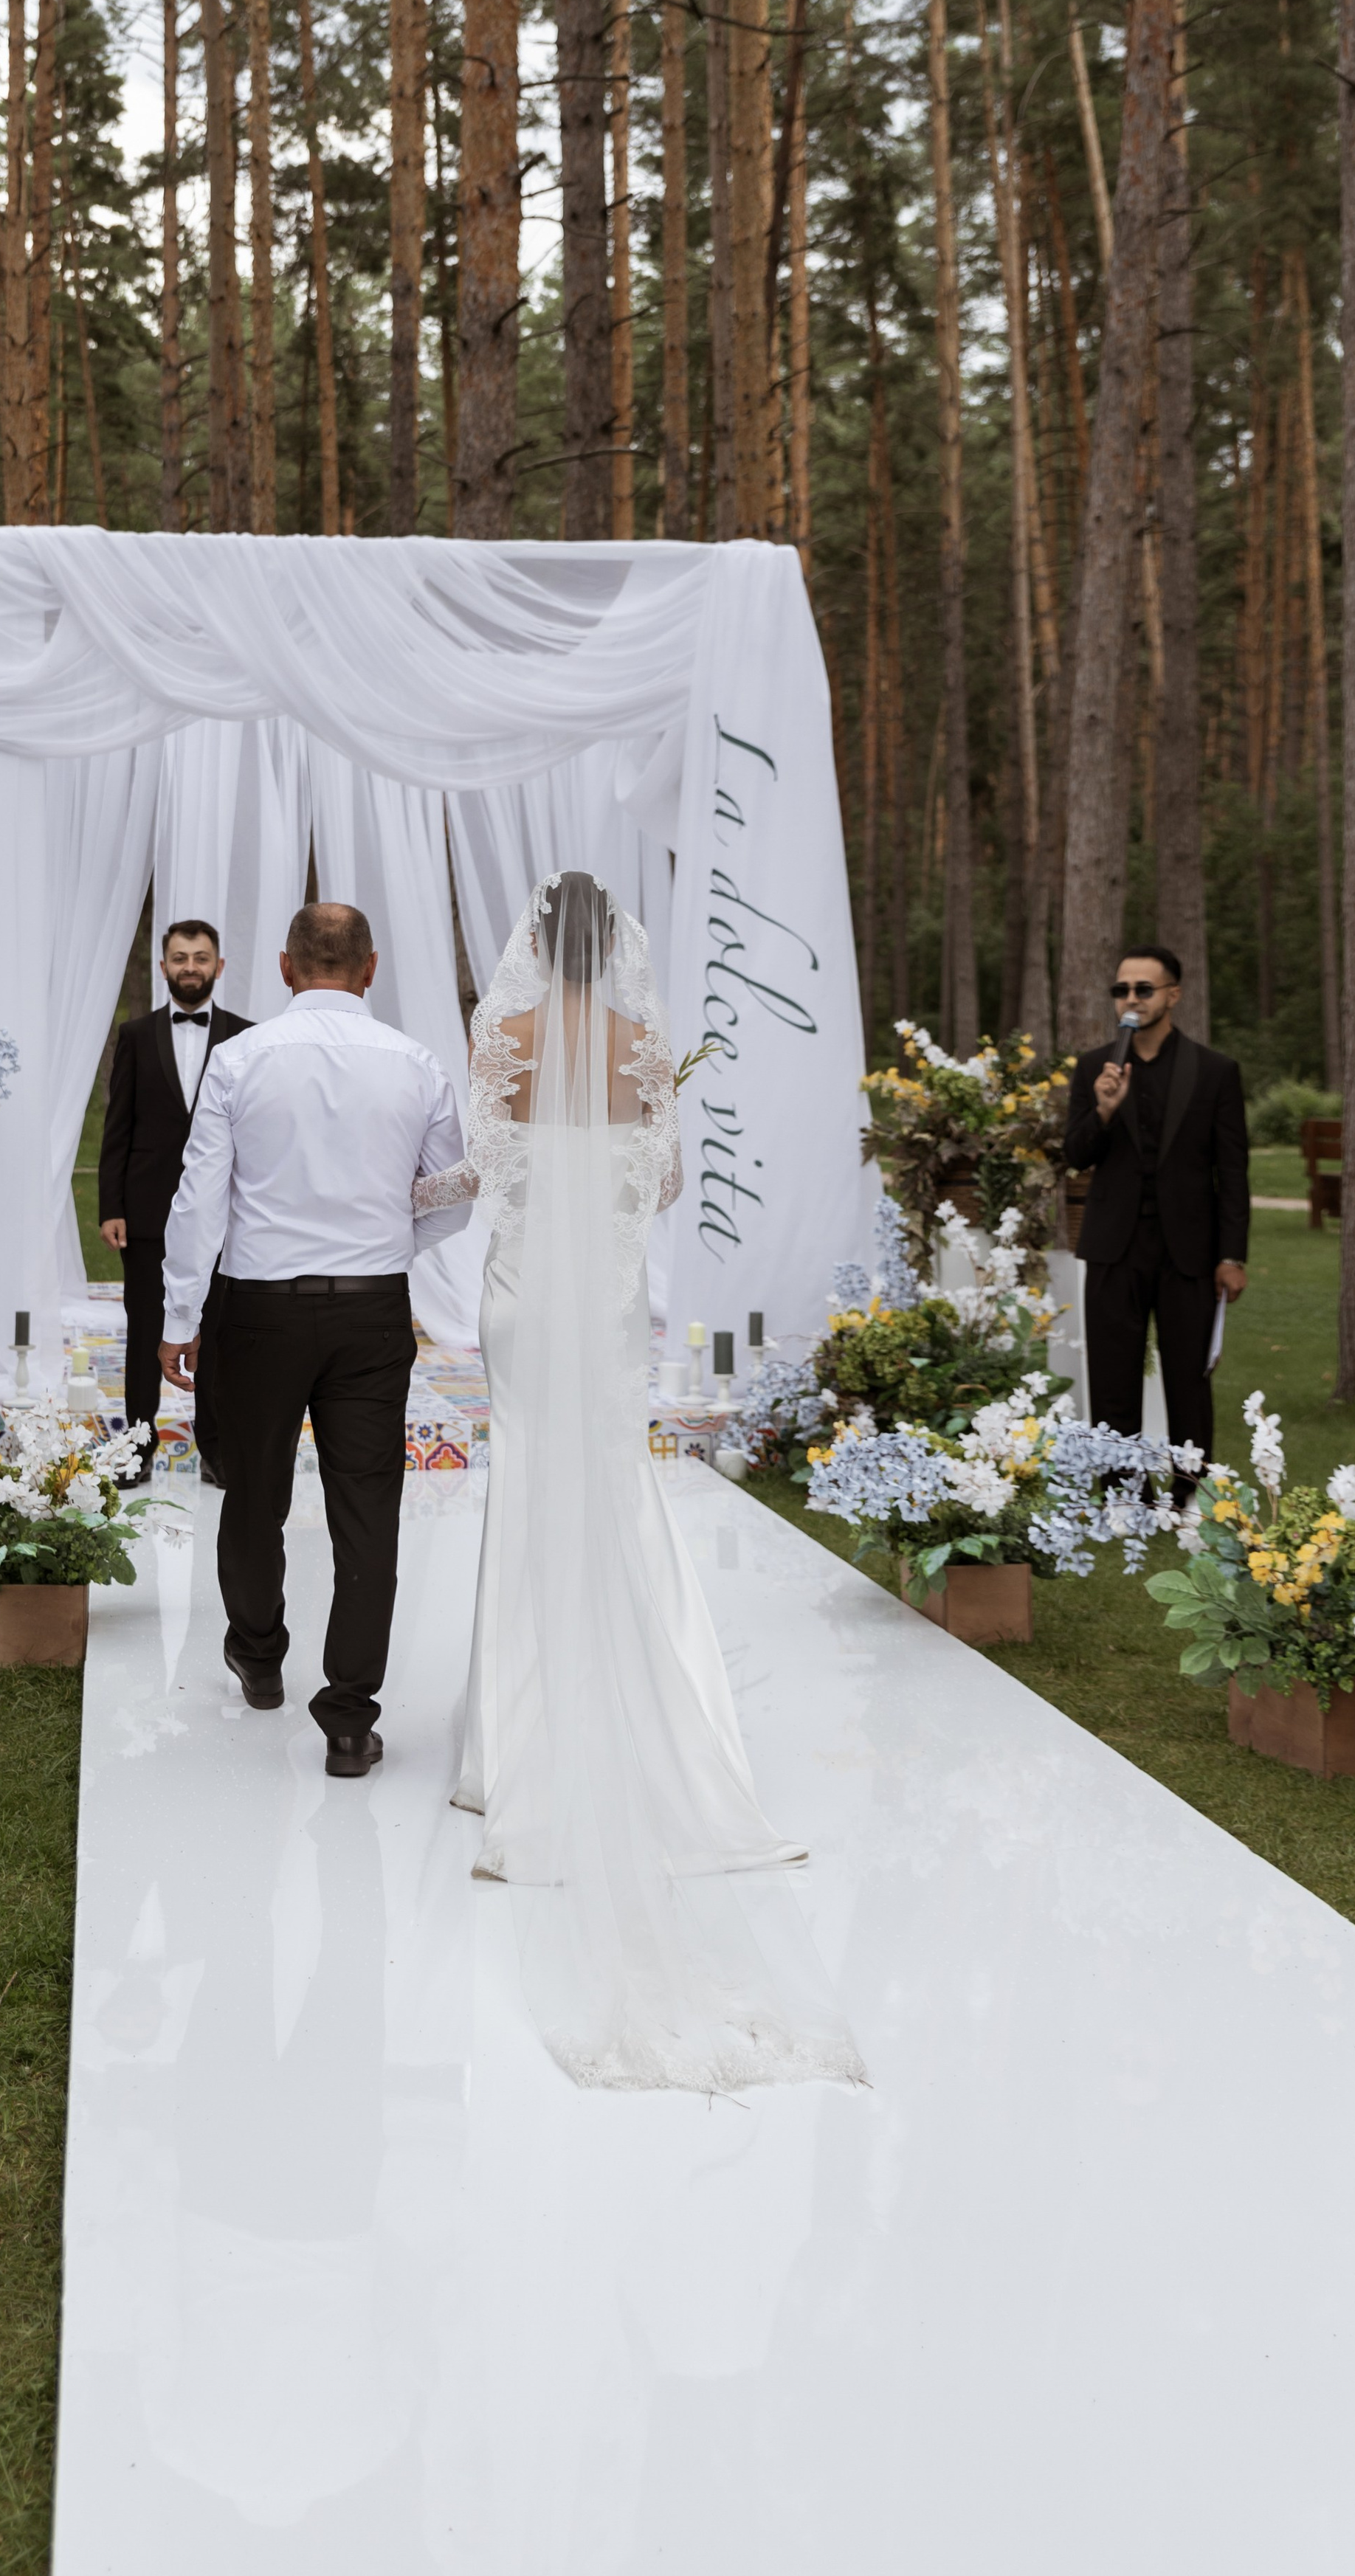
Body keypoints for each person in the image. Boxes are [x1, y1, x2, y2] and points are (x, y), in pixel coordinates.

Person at [409, 871, 863, 2096]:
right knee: (611, 1486)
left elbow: (489, 1179)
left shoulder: (500, 1036)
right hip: (608, 1300)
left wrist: (423, 1197)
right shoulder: (642, 1044)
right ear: (615, 953)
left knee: (527, 1491)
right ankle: (633, 1724)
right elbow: (657, 1187)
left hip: (521, 1296)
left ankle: (510, 1758)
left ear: (528, 951)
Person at [158, 902, 470, 1778]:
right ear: (370, 970)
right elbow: (452, 1194)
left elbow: (198, 1200)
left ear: (288, 971)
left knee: (253, 1491)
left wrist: (180, 1319)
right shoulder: (416, 1063)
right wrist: (384, 1248)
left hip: (257, 1310)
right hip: (373, 1310)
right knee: (366, 1509)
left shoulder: (238, 1058)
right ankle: (347, 1717)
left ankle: (259, 1659)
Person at [1064, 945, 1249, 1471]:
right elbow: (1075, 1155)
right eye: (1121, 989)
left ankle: (1192, 1491)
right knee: (1113, 1376)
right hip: (1113, 1246)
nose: (1131, 999)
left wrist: (1232, 1255)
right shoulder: (1094, 1069)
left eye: (1143, 989)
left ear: (1173, 995)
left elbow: (1232, 1173)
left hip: (1188, 1249)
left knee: (1189, 1379)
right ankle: (1125, 1494)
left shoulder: (1215, 1072)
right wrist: (1102, 1110)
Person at [98, 919, 250, 1485]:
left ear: (219, 966)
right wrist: (110, 1205)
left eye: (202, 957)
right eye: (180, 958)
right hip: (145, 1214)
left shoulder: (246, 1035)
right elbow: (118, 1127)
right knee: (144, 1332)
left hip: (225, 1216)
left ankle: (216, 1449)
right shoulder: (136, 1035)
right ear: (163, 967)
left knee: (217, 1333)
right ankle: (137, 1449)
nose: (191, 967)